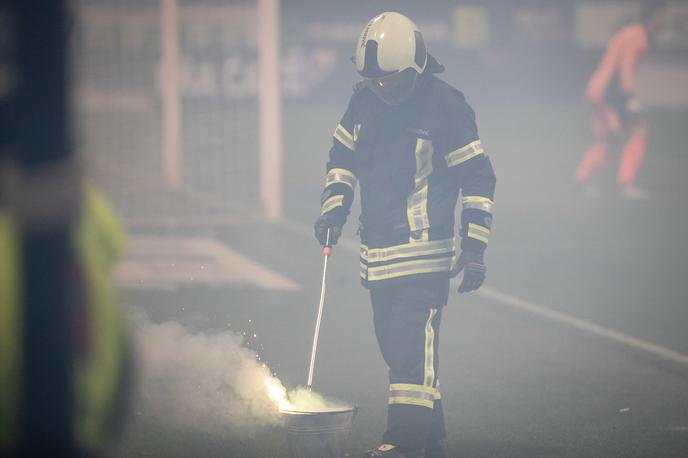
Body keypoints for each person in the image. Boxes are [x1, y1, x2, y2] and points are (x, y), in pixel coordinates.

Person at [313, 12, 496, 458]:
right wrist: (334, 207)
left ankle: (404, 442)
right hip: (377, 259)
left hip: (424, 257)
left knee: (412, 347)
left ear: (415, 67)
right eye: (372, 80)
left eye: (389, 80)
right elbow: (342, 156)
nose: (381, 88)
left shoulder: (446, 105)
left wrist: (474, 247)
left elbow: (477, 177)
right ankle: (429, 441)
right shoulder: (364, 99)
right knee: (396, 350)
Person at [575, 1, 670, 199]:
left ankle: (584, 180)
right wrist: (629, 97)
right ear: (654, 16)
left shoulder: (634, 33)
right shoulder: (638, 36)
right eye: (663, 15)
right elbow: (624, 67)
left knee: (613, 137)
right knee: (633, 131)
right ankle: (623, 184)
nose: (666, 20)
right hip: (608, 93)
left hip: (603, 91)